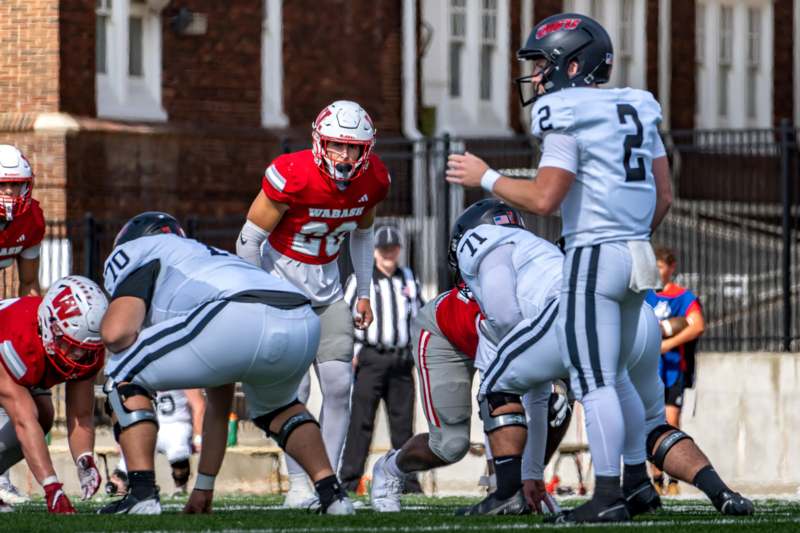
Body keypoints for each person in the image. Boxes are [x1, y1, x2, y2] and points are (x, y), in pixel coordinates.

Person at [446, 13, 673, 522]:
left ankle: (609, 495)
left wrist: (488, 178)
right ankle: (633, 486)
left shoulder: (564, 110)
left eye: (542, 65)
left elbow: (545, 198)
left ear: (573, 64)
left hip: (594, 253)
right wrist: (629, 234)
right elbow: (664, 195)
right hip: (636, 253)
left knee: (593, 382)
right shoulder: (637, 106)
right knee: (615, 378)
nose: (538, 78)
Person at [440, 200, 752, 520]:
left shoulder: (479, 242)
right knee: (651, 424)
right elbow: (537, 391)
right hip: (638, 316)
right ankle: (717, 493)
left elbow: (505, 315)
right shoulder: (538, 249)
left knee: (494, 384)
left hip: (576, 316)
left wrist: (512, 349)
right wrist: (533, 471)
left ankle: (511, 494)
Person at [97, 211, 352, 515]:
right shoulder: (206, 259)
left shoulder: (141, 251)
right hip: (299, 317)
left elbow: (117, 332)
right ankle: (333, 496)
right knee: (280, 408)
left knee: (120, 371)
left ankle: (141, 495)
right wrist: (204, 487)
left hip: (232, 314)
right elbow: (218, 408)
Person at [236, 100, 390, 507]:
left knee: (340, 387)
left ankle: (332, 483)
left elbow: (362, 233)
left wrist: (363, 292)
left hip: (329, 292)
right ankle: (302, 484)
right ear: (320, 142)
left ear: (366, 149)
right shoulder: (292, 174)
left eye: (354, 148)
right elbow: (248, 240)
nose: (345, 156)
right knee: (296, 389)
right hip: (282, 291)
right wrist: (256, 296)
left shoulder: (373, 180)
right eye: (337, 145)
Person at [369, 280, 571, 513]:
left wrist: (532, 476)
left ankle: (524, 484)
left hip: (490, 334)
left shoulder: (553, 302)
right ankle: (390, 469)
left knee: (559, 403)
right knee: (450, 445)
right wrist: (503, 487)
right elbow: (495, 402)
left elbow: (540, 396)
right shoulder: (510, 314)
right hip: (446, 336)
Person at [0, 275, 108, 513]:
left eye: (84, 350)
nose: (77, 357)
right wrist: (52, 487)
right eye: (71, 346)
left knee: (45, 417)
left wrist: (85, 459)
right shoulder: (19, 338)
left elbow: (81, 414)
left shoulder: (86, 350)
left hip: (25, 355)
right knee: (30, 416)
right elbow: (23, 420)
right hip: (7, 346)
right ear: (49, 326)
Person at [339, 225, 422, 493]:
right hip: (371, 357)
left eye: (392, 248)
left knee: (403, 425)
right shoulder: (360, 281)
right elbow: (345, 317)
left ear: (399, 250)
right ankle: (350, 480)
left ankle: (408, 481)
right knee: (361, 421)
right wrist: (350, 353)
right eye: (383, 248)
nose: (388, 253)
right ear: (374, 252)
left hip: (401, 360)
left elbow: (419, 318)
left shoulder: (408, 279)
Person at [0, 144, 45, 505]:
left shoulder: (30, 220)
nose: (11, 193)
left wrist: (34, 325)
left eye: (16, 185)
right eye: (3, 185)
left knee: (18, 398)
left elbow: (28, 283)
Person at [646, 246, 705, 495]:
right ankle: (656, 479)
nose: (657, 271)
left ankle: (673, 478)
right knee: (649, 422)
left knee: (671, 421)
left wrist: (667, 343)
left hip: (673, 370)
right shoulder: (644, 296)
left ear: (671, 268)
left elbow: (697, 325)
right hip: (647, 370)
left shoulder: (682, 297)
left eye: (660, 266)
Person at [110, 388, 206, 496]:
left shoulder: (183, 374)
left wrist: (198, 437)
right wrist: (123, 439)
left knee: (178, 452)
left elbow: (199, 405)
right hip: (149, 423)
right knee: (122, 472)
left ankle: (180, 486)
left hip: (177, 424)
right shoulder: (145, 376)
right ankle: (127, 489)